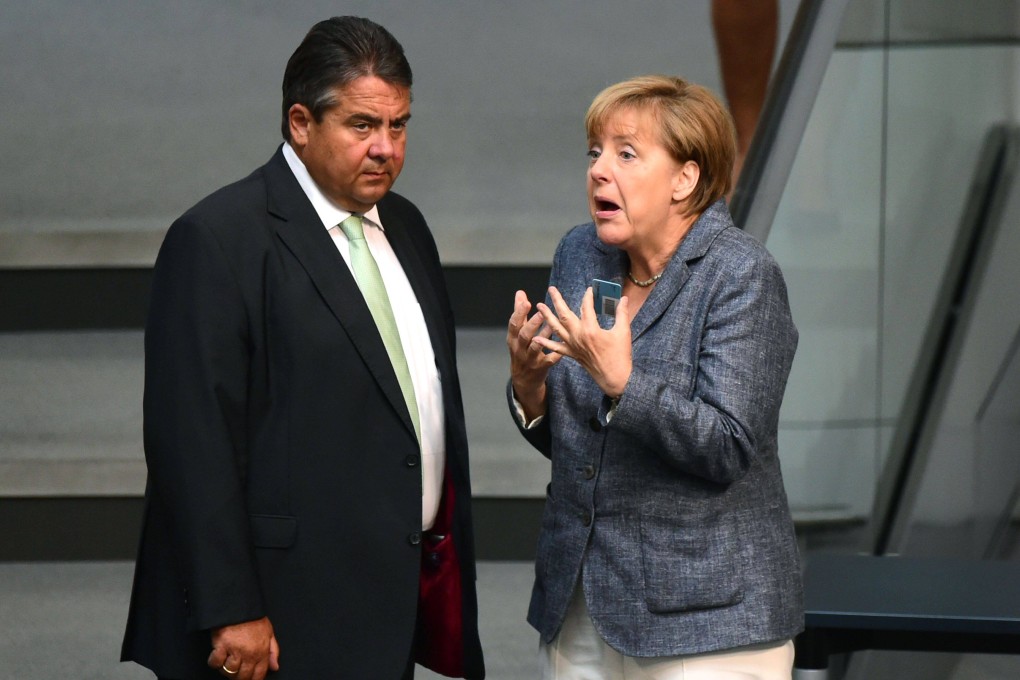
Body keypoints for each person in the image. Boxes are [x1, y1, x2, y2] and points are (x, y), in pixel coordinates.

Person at [122, 16, 484, 680]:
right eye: (362, 126)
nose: (385, 148)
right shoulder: (218, 239)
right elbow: (190, 443)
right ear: (300, 123)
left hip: (386, 603)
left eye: (399, 126)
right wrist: (231, 607)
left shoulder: (406, 226)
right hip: (277, 622)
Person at [506, 75, 802, 679]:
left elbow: (728, 447)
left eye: (626, 154)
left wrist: (624, 383)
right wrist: (530, 387)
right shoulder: (581, 255)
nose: (598, 171)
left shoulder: (741, 275)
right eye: (595, 152)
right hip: (580, 604)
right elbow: (583, 446)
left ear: (684, 179)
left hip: (708, 623)